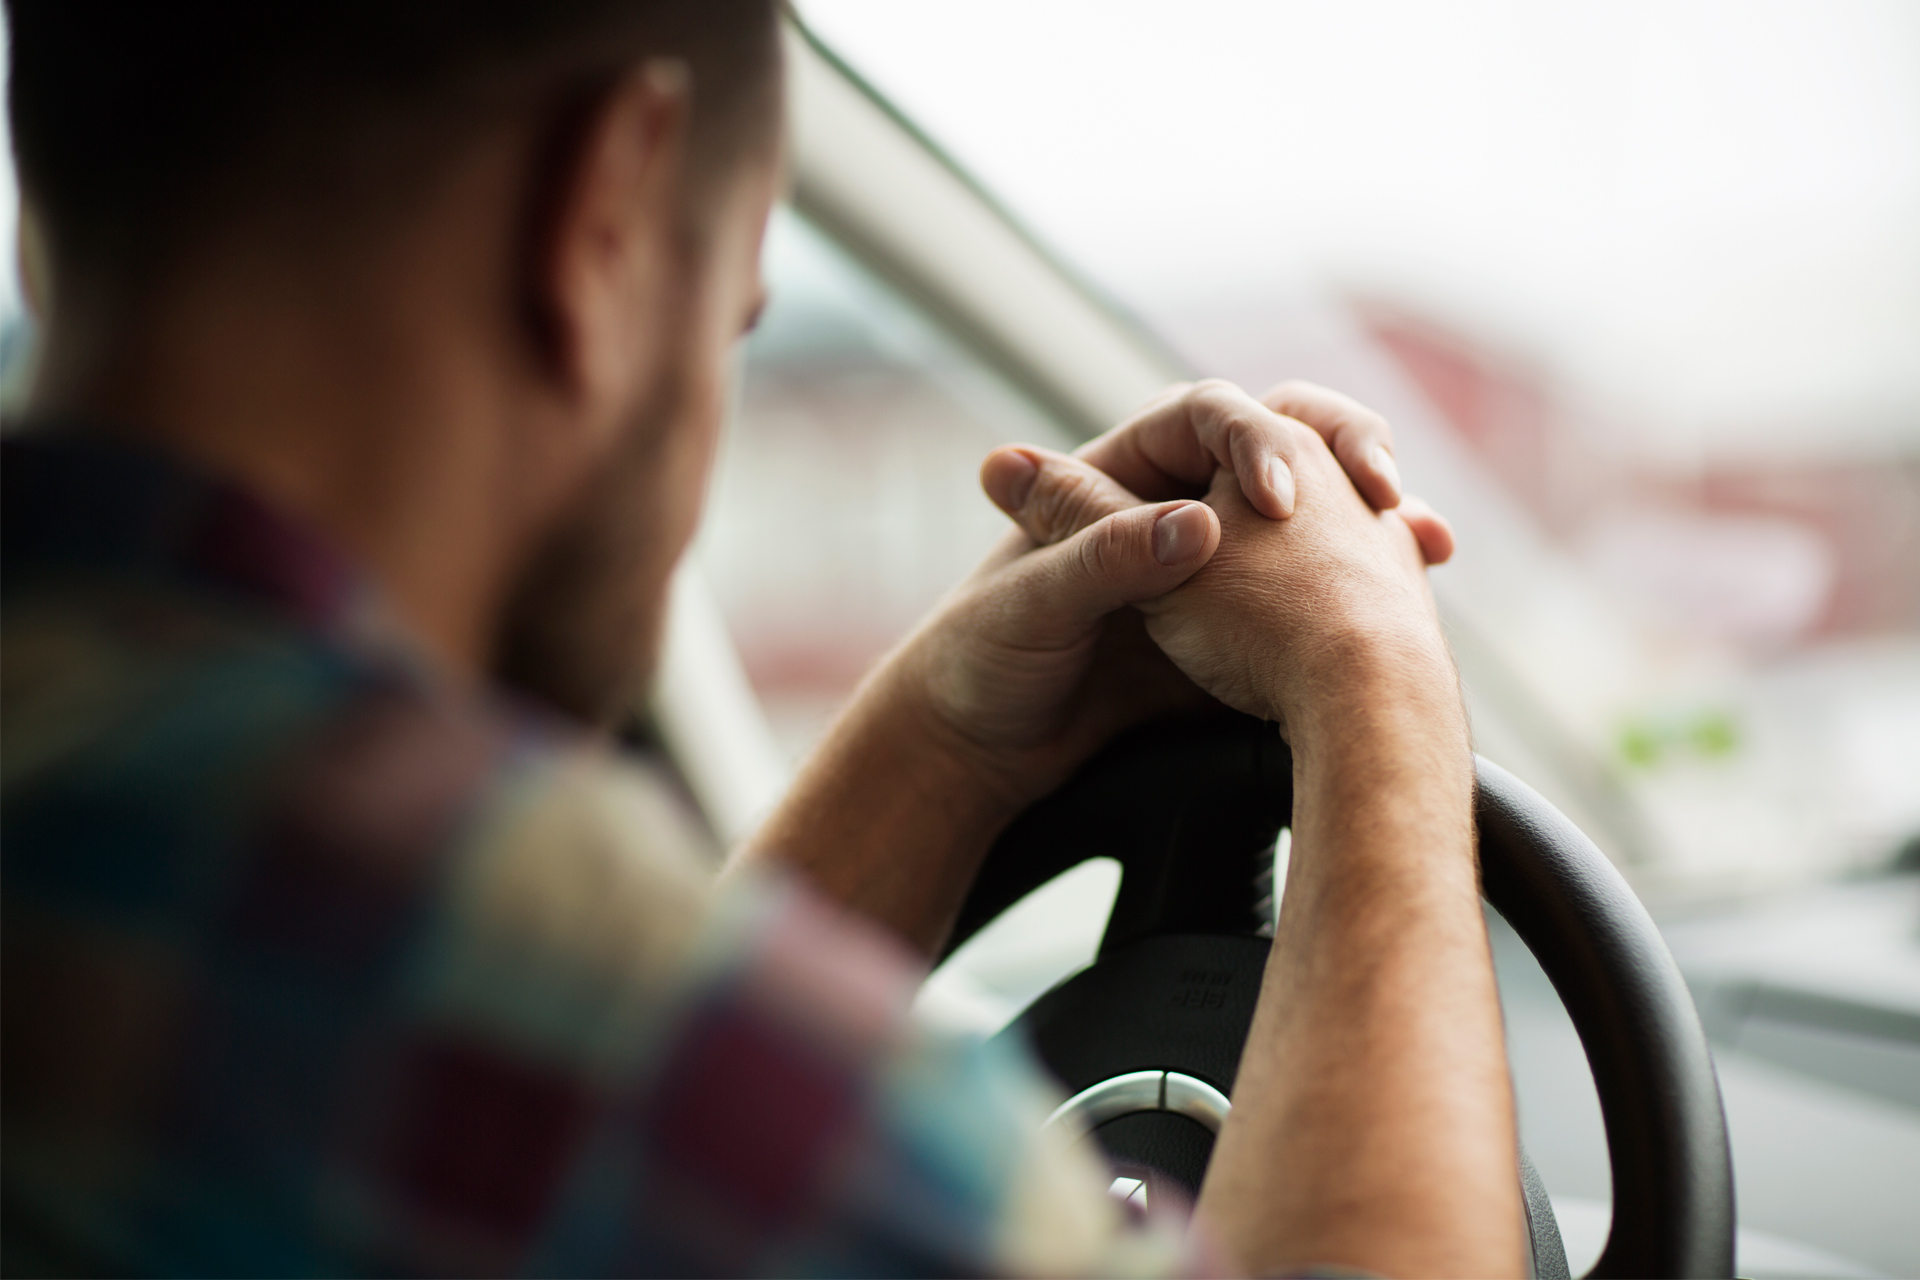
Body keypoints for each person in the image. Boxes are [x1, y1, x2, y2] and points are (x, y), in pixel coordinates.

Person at [0, 1, 1523, 1275]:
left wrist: (938, 740)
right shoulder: (522, 1002)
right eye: (731, 319)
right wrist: (1373, 679)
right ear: (600, 210)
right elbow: (631, 1077)